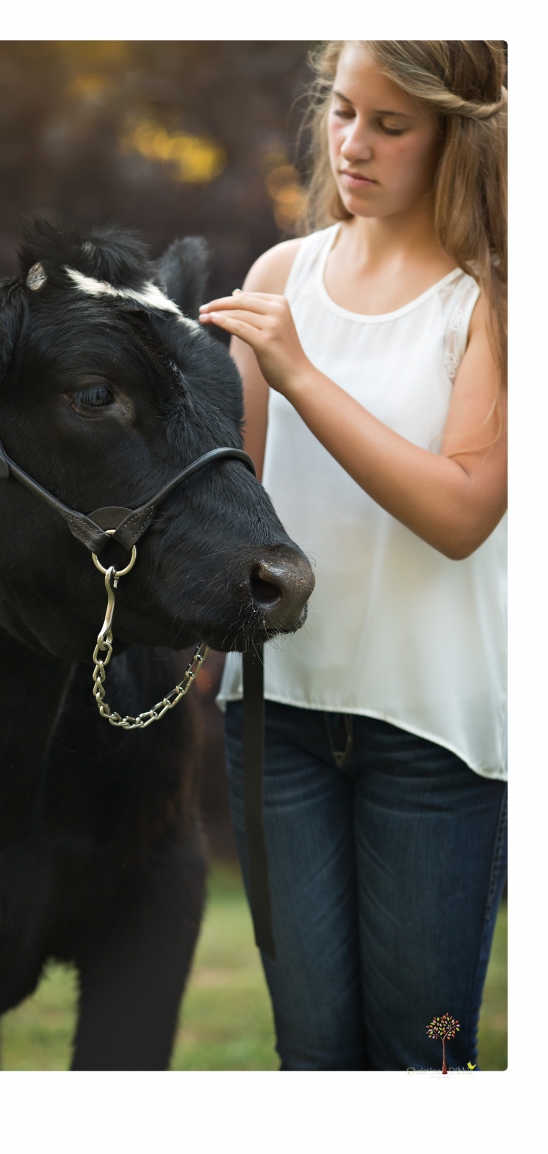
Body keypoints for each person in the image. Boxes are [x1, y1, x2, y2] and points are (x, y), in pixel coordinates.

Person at [199, 40, 507, 1071]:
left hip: (434, 739)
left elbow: (464, 508)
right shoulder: (282, 277)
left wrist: (299, 370)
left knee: (422, 1056)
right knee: (317, 1059)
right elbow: (233, 506)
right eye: (341, 110)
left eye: (390, 122)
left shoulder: (495, 298)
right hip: (276, 723)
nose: (351, 143)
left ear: (455, 135)